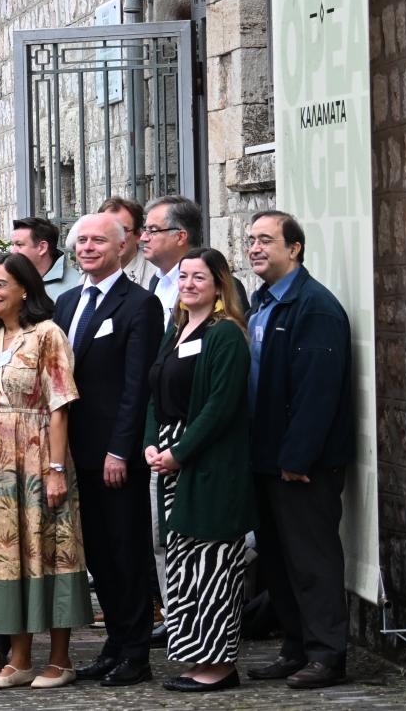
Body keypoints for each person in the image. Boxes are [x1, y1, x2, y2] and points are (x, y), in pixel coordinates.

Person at [0, 252, 86, 690]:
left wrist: (55, 470)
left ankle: (60, 658)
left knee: (46, 550)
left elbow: (59, 407)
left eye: (0, 285)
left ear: (25, 289)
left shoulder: (48, 335)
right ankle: (17, 658)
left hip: (37, 456)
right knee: (7, 555)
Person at [243, 210, 354, 690]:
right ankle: (295, 647)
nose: (255, 248)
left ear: (295, 248)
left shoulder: (315, 307)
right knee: (278, 562)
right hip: (264, 459)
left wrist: (297, 458)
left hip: (302, 466)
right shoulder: (259, 302)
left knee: (313, 562)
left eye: (266, 240)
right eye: (251, 240)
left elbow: (317, 393)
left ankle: (327, 657)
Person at [55, 212, 165, 686]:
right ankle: (115, 642)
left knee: (126, 551)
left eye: (99, 240)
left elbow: (136, 387)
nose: (88, 248)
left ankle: (136, 652)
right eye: (81, 241)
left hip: (114, 455)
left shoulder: (139, 304)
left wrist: (121, 450)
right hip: (73, 452)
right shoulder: (66, 302)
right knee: (98, 553)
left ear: (124, 247)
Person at [143, 247, 255, 692]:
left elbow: (220, 406)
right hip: (170, 458)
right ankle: (193, 657)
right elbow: (155, 392)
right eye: (184, 277)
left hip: (209, 463)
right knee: (182, 565)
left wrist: (180, 451)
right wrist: (152, 442)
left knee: (212, 565)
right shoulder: (176, 329)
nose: (189, 284)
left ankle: (220, 666)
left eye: (199, 278)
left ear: (219, 284)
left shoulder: (225, 334)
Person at [11, 217, 79, 301]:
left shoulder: (75, 286)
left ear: (42, 248)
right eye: (13, 245)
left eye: (19, 244)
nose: (13, 251)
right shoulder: (10, 278)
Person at [99, 197, 158, 289]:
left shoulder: (155, 278)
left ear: (138, 235)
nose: (111, 237)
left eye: (122, 230)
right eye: (105, 229)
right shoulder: (89, 277)